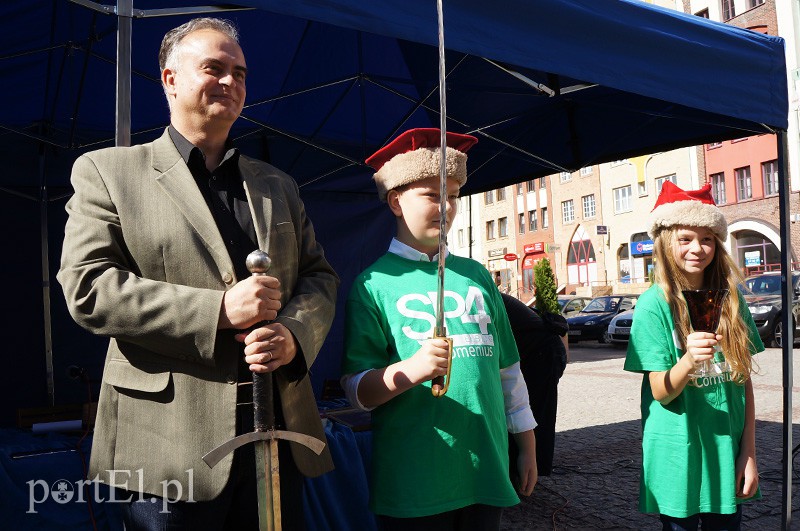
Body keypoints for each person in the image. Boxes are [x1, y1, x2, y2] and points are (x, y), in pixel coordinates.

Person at [57, 17, 338, 530]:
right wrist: (219, 311)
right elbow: (88, 288)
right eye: (214, 68)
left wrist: (294, 334)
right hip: (166, 443)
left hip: (273, 433)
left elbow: (320, 277)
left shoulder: (278, 185)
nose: (231, 82)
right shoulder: (107, 172)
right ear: (169, 78)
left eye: (241, 72)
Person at [340, 128, 537, 530]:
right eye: (432, 195)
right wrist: (411, 370)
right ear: (396, 201)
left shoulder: (477, 276)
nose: (446, 207)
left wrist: (528, 444)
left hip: (484, 467)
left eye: (454, 195)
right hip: (414, 482)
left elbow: (508, 372)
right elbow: (357, 391)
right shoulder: (372, 284)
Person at [623, 181, 763, 530]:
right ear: (665, 242)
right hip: (677, 456)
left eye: (707, 239)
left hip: (725, 453)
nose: (697, 248)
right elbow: (660, 391)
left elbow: (742, 381)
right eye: (685, 238)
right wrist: (687, 360)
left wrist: (748, 453)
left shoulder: (730, 299)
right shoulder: (653, 304)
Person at [500, 292, 568, 477]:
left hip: (543, 353)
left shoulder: (483, 295)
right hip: (534, 351)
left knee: (533, 415)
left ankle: (529, 472)